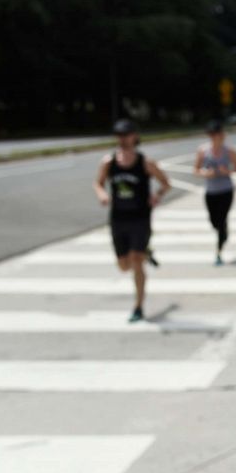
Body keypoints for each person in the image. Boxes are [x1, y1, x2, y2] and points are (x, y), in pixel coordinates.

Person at [93, 119, 171, 322]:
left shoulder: (145, 163)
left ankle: (138, 306)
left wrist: (158, 195)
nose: (123, 139)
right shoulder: (108, 162)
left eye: (126, 135)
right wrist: (102, 194)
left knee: (136, 262)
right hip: (118, 218)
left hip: (140, 218)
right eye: (119, 135)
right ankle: (145, 253)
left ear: (135, 136)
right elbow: (98, 183)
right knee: (123, 265)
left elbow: (165, 183)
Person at [194, 120, 236, 265]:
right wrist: (205, 173)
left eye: (218, 134)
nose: (215, 137)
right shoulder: (203, 150)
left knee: (221, 220)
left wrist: (227, 171)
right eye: (212, 135)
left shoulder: (230, 151)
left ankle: (218, 252)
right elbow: (195, 170)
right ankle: (223, 231)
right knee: (214, 221)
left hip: (226, 190)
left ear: (222, 135)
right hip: (210, 191)